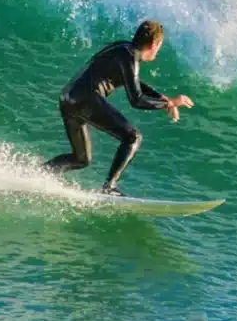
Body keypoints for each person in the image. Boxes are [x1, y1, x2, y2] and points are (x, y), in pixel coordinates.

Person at [43, 20, 194, 196]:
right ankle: (109, 187)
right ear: (155, 44)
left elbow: (134, 81)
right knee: (133, 137)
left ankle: (37, 175)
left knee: (81, 158)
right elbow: (136, 99)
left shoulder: (123, 48)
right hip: (85, 98)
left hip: (68, 98)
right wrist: (170, 103)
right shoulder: (130, 56)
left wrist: (163, 99)